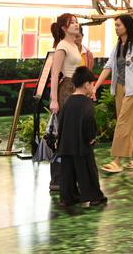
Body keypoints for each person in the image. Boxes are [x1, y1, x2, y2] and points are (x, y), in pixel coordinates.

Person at [92, 14, 133, 173]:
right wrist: (95, 87)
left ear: (127, 26)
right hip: (119, 88)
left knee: (123, 123)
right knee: (128, 124)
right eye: (115, 25)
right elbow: (108, 67)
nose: (116, 28)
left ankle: (117, 161)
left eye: (118, 25)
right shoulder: (118, 46)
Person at [56, 66, 106, 208]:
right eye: (92, 84)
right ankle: (94, 196)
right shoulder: (87, 103)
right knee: (87, 170)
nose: (93, 87)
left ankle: (68, 197)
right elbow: (89, 121)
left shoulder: (67, 101)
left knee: (67, 173)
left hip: (66, 143)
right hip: (81, 144)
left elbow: (62, 121)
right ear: (86, 85)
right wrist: (91, 137)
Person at [48, 13, 84, 191]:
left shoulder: (73, 44)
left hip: (76, 89)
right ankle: (57, 179)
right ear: (63, 28)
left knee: (72, 136)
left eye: (77, 22)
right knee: (63, 136)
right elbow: (55, 74)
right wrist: (54, 99)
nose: (76, 25)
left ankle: (69, 177)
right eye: (72, 23)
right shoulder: (62, 46)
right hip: (67, 90)